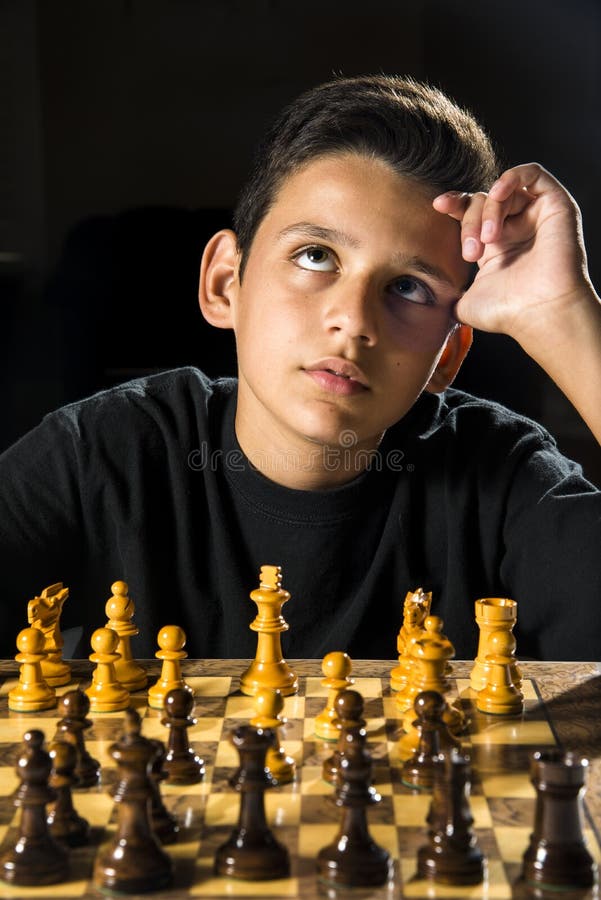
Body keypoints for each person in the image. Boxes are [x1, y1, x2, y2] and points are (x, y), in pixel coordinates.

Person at [0, 74, 599, 662]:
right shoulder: (102, 455)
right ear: (224, 282)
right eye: (316, 256)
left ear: (447, 354)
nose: (353, 319)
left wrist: (564, 315)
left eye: (409, 288)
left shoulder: (504, 478)